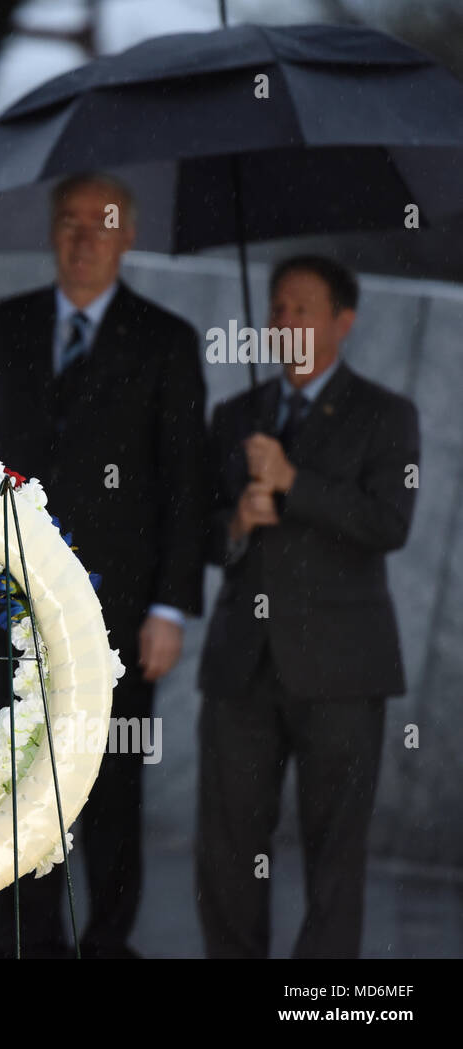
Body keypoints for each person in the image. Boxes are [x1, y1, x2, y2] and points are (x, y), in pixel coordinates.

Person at [0, 172, 206, 959]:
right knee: (22, 784)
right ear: (51, 232)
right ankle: (24, 943)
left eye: (103, 222)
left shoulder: (166, 340)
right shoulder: (5, 324)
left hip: (123, 615)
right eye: (69, 222)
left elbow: (187, 485)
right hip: (17, 604)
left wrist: (172, 607)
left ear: (129, 235)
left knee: (113, 785)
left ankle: (108, 946)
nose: (83, 238)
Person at [196, 255, 419, 958]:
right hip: (242, 670)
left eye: (303, 309)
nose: (286, 321)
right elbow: (196, 531)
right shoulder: (236, 415)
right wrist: (235, 523)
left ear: (342, 322)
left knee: (334, 856)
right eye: (278, 307)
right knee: (227, 849)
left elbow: (390, 522)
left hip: (344, 673)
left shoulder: (386, 415)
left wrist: (295, 481)